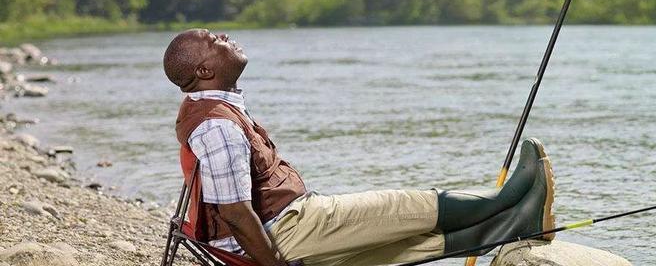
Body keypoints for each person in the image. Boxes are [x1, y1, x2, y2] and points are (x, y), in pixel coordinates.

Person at [163, 28, 556, 266]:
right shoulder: (217, 124)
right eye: (214, 40)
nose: (225, 37)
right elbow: (235, 212)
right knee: (408, 207)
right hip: (286, 229)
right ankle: (506, 198)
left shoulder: (210, 110)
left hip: (284, 224)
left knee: (404, 248)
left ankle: (517, 225)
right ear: (204, 71)